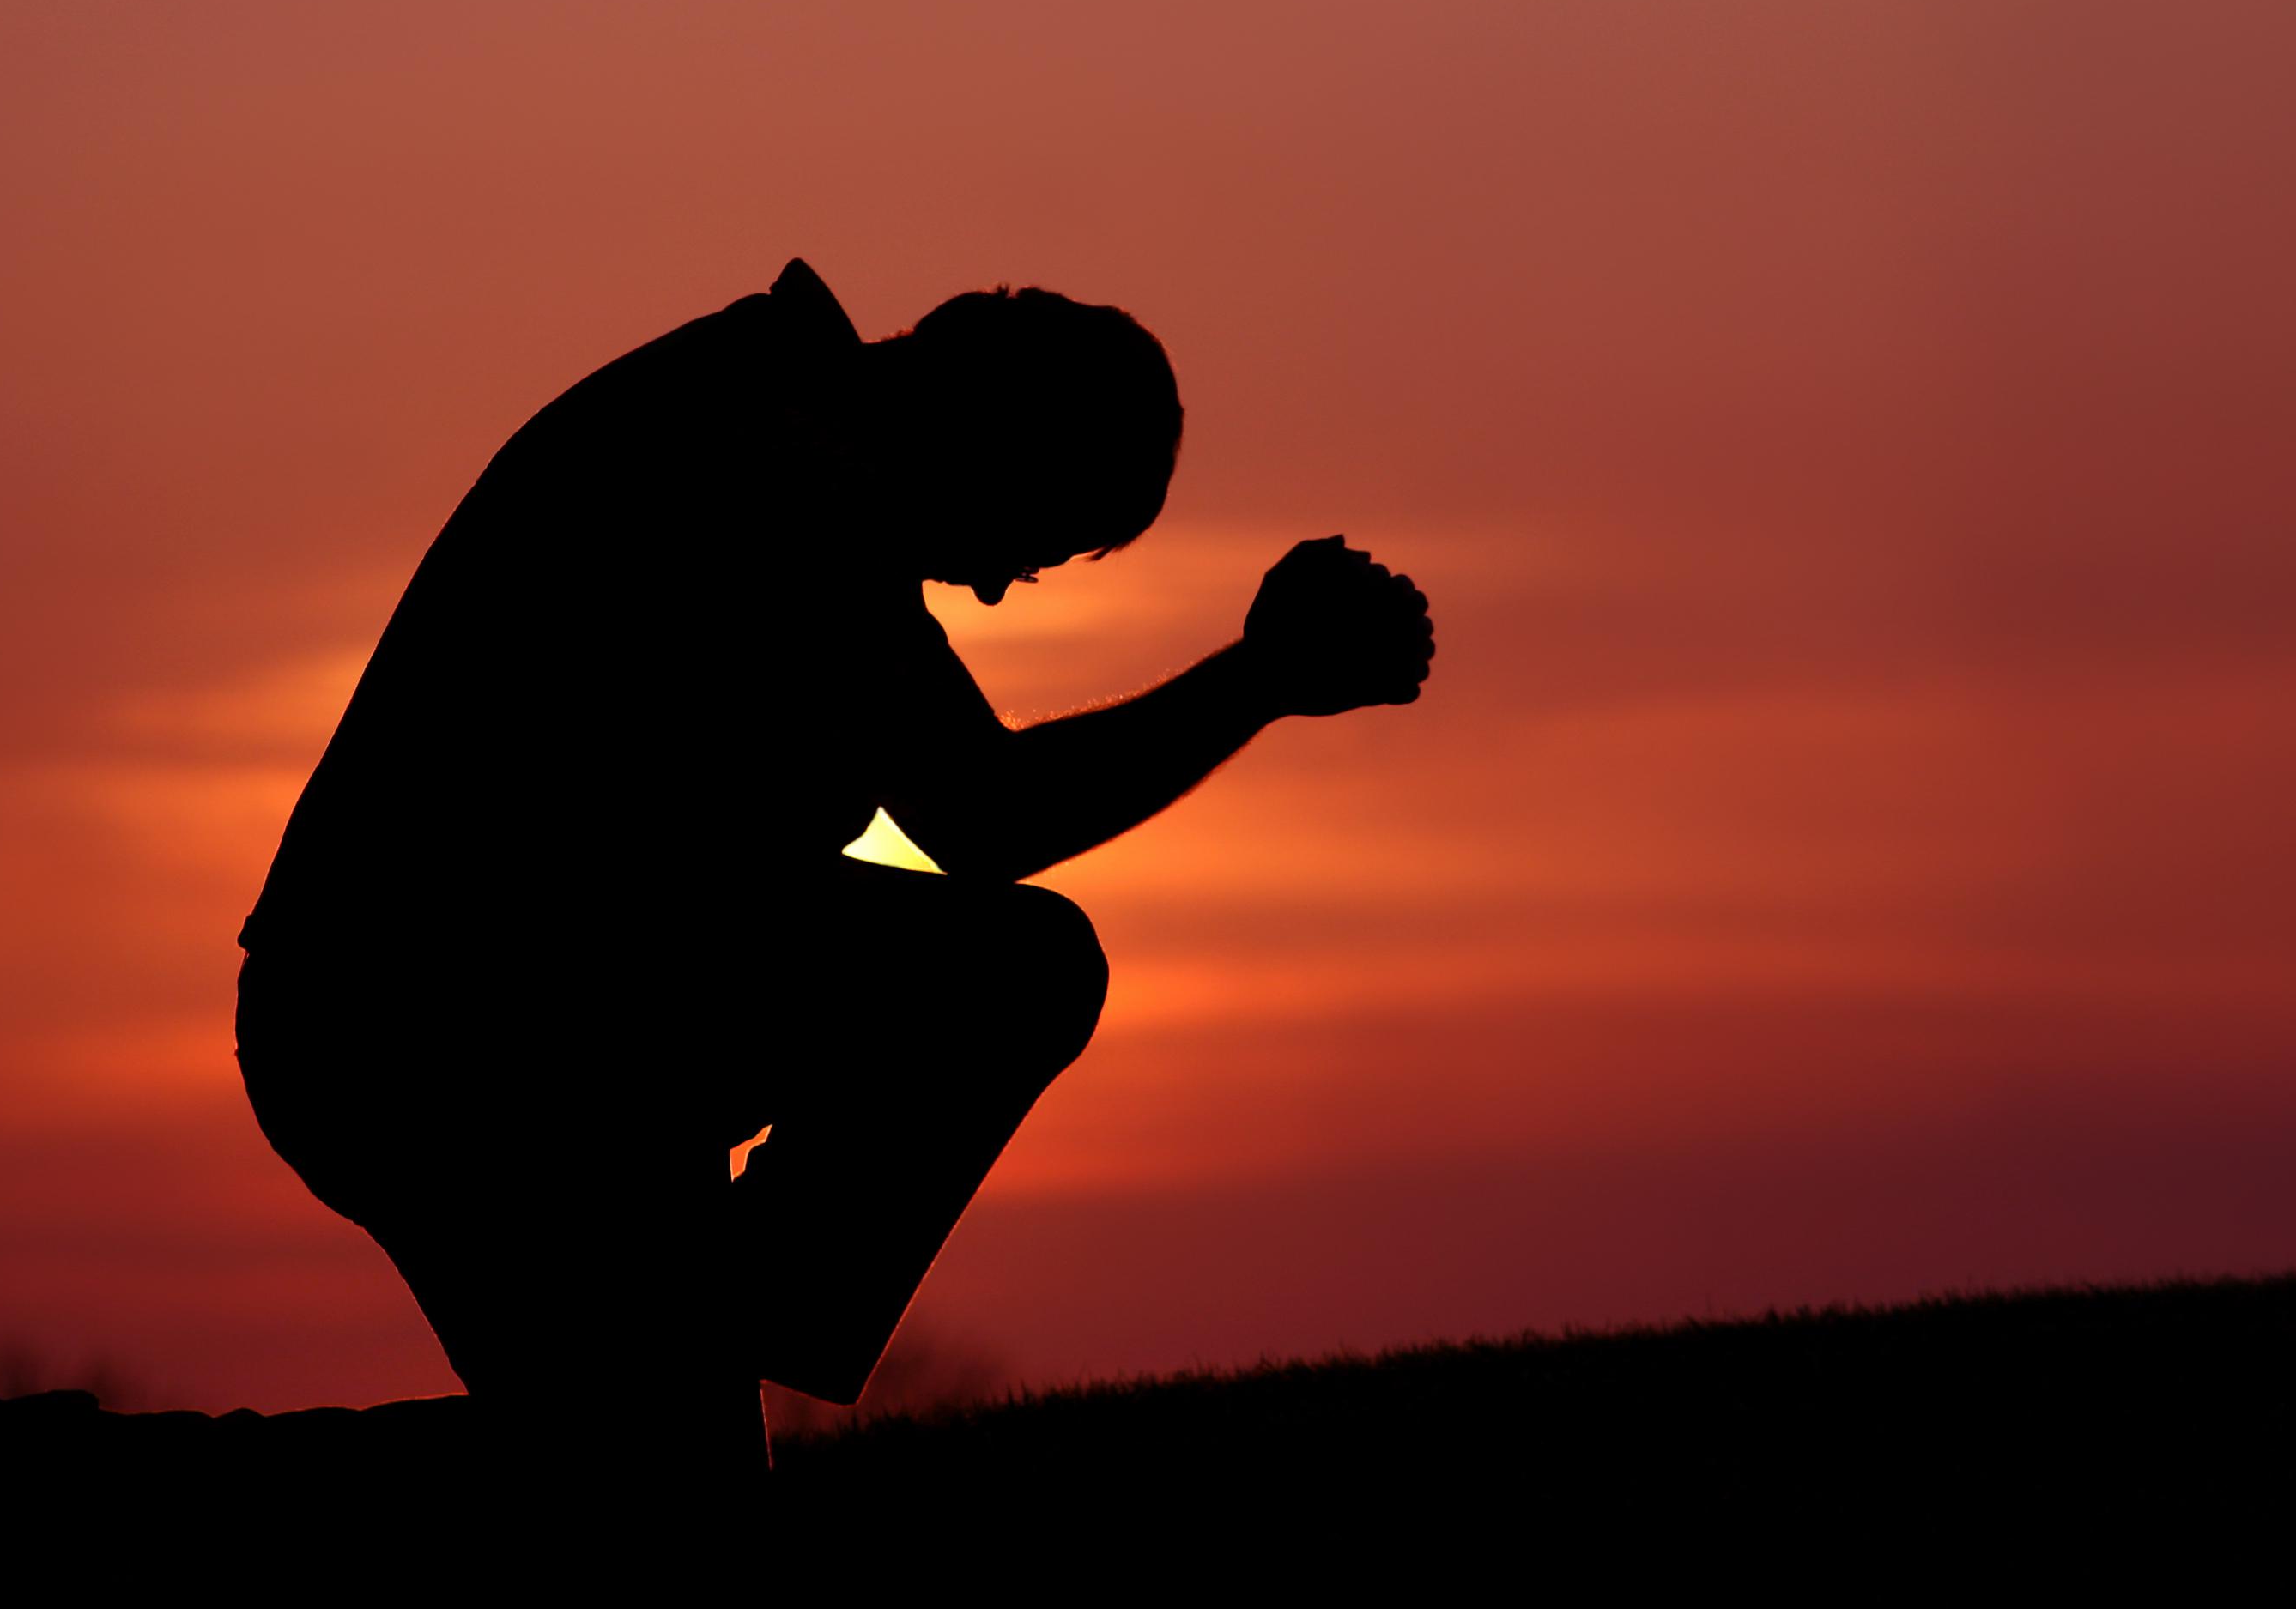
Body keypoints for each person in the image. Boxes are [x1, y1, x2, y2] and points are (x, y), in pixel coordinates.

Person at [232, 258, 1433, 1494]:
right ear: (994, 435)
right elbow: (985, 813)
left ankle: (699, 1332)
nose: (986, 586)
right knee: (1015, 970)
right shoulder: (786, 464)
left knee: (646, 1472)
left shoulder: (775, 427)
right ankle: (726, 1319)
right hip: (458, 1027)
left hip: (550, 1018)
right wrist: (1260, 679)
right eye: (1029, 538)